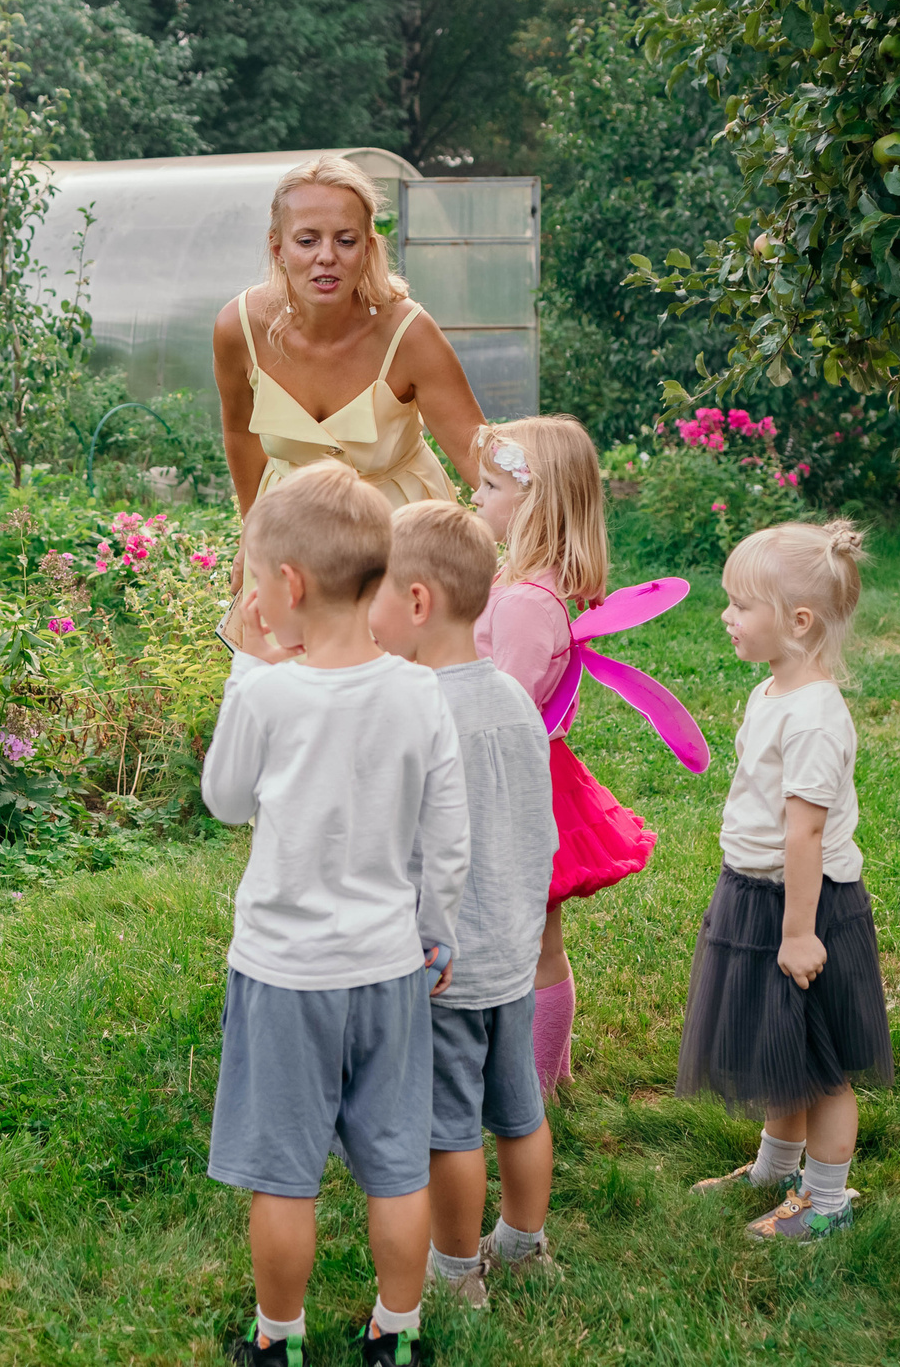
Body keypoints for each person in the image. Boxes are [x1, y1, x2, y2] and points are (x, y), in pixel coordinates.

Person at [203, 462, 470, 1367]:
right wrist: (438, 926)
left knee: (283, 1175)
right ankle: (396, 1335)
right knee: (397, 1166)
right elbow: (447, 833)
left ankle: (277, 1340)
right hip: (391, 965)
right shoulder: (419, 691)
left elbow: (225, 799)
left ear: (287, 585)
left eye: (253, 583)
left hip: (285, 973)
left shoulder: (270, 690)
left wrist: (244, 667)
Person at [367, 500, 558, 1311]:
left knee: (450, 1128)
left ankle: (454, 1272)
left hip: (445, 964)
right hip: (513, 952)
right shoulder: (514, 696)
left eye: (371, 589)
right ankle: (523, 1243)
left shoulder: (414, 709)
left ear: (416, 602)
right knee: (519, 1110)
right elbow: (541, 825)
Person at [680, 520, 889, 1242]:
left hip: (804, 904)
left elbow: (803, 833)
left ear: (798, 622)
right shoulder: (773, 692)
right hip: (759, 889)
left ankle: (826, 1197)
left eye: (741, 604)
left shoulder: (814, 718)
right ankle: (777, 1162)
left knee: (822, 1059)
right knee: (781, 1042)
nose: (726, 616)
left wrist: (798, 932)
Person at [211, 158, 485, 641]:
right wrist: (252, 534)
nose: (326, 257)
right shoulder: (239, 328)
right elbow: (239, 431)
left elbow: (477, 455)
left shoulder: (409, 334)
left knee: (398, 700)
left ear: (367, 249)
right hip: (290, 537)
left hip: (400, 542)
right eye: (307, 239)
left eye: (345, 240)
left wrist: (541, 551)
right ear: (277, 248)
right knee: (292, 695)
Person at [467, 416, 657, 1090]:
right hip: (524, 774)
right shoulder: (522, 586)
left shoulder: (523, 603)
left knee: (533, 946)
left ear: (536, 502)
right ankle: (544, 1075)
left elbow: (504, 706)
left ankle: (538, 1082)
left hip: (508, 780)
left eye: (491, 485)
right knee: (532, 940)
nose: (477, 497)